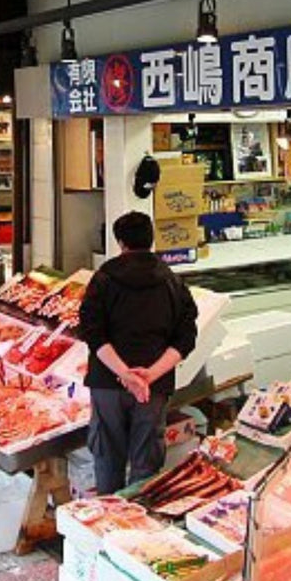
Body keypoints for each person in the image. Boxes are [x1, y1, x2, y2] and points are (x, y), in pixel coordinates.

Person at [76, 211, 199, 495]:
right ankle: (136, 528)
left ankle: (106, 525)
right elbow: (186, 337)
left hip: (108, 384)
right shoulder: (171, 281)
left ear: (120, 242)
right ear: (151, 239)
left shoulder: (104, 278)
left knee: (108, 457)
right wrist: (148, 375)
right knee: (146, 462)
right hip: (152, 388)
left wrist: (124, 373)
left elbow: (92, 331)